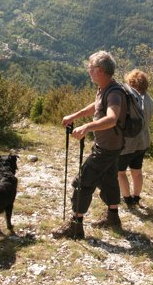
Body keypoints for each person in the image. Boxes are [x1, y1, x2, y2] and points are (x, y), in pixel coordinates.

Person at [52, 51, 127, 240]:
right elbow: (95, 106)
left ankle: (75, 226)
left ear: (99, 70)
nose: (88, 70)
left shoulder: (115, 93)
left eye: (90, 67)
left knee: (82, 182)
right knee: (109, 180)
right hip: (111, 145)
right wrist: (74, 116)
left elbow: (111, 119)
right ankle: (113, 218)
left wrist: (86, 126)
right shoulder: (105, 87)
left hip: (107, 147)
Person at [117, 69, 153, 208]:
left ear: (131, 82)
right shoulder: (149, 100)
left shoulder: (130, 98)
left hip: (128, 143)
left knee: (120, 172)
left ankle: (127, 199)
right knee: (137, 171)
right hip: (143, 141)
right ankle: (136, 197)